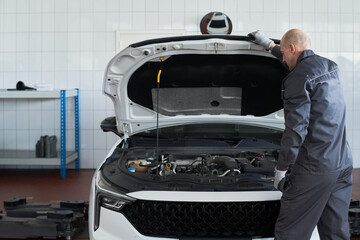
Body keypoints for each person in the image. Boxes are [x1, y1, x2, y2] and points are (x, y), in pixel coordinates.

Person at [249, 29, 353, 240]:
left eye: (284, 55)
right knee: (336, 232)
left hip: (314, 167)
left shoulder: (297, 78)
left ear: (293, 48)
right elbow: (300, 62)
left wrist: (281, 169)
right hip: (342, 163)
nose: (284, 61)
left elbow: (296, 129)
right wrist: (270, 46)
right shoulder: (330, 66)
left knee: (290, 232)